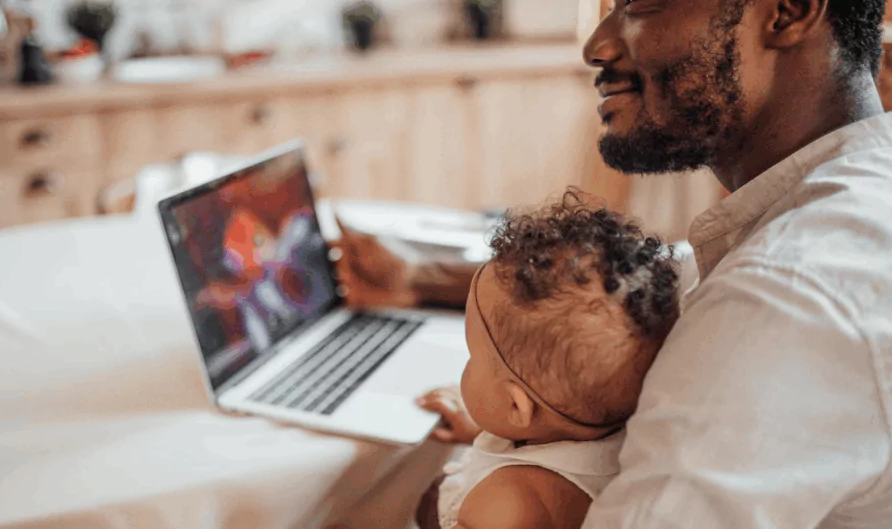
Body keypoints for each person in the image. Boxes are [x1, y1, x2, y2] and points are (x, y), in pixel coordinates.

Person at [333, 0, 892, 526]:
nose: (597, 45)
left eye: (641, 3)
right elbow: (661, 279)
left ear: (788, 10)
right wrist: (416, 278)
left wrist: (441, 508)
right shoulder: (845, 200)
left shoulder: (781, 298)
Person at [416, 191, 680, 529]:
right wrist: (481, 432)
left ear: (516, 407)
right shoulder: (607, 434)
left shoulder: (510, 505)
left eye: (473, 355)